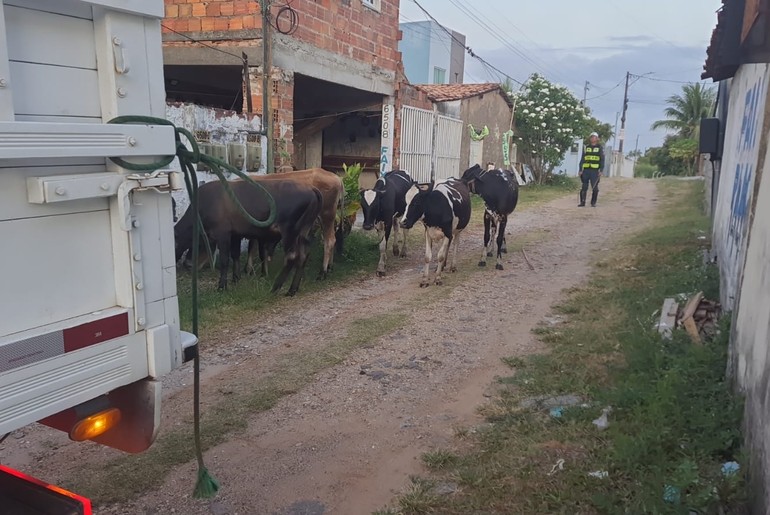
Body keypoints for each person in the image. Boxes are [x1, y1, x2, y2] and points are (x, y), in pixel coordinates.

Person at [579, 132, 604, 207]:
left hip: (595, 171)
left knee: (595, 188)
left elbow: (602, 160)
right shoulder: (586, 147)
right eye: (591, 137)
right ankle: (582, 202)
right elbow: (582, 159)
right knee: (584, 187)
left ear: (597, 139)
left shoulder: (600, 148)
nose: (593, 138)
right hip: (586, 170)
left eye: (594, 137)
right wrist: (580, 169)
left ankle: (593, 202)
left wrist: (601, 170)